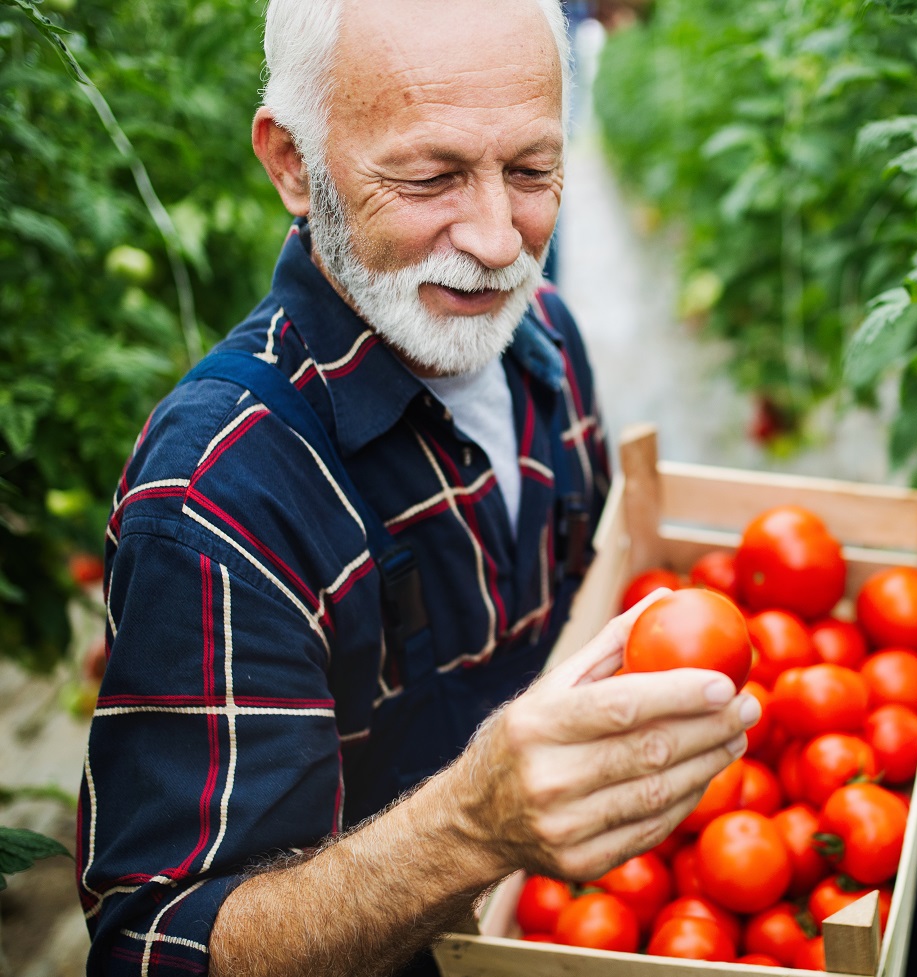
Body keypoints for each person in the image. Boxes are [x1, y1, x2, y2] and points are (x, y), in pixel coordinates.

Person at [76, 2, 757, 975]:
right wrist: (471, 826)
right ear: (293, 165)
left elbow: (606, 609)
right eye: (431, 176)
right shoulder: (219, 495)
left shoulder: (546, 338)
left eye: (531, 168)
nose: (494, 240)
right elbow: (154, 948)